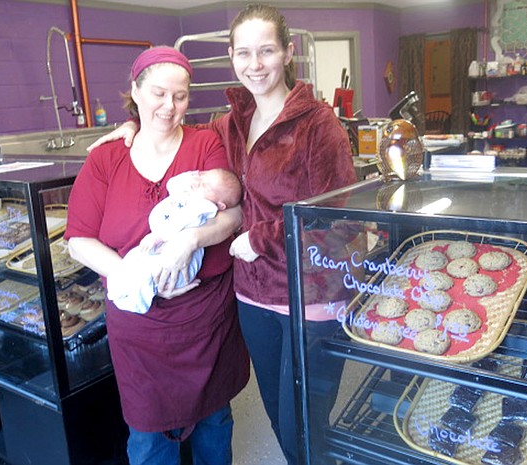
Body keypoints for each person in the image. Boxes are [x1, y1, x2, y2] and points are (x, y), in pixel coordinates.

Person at [88, 5, 359, 464]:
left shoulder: (318, 124)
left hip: (310, 298)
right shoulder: (229, 124)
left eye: (267, 51)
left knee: (305, 430)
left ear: (288, 52)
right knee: (279, 420)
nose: (256, 64)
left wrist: (259, 239)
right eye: (244, 52)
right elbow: (177, 132)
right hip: (252, 300)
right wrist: (136, 124)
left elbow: (338, 219)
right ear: (232, 56)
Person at [65, 46, 250, 465]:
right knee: (148, 439)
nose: (170, 106)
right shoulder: (106, 159)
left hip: (205, 321)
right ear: (135, 91)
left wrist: (189, 242)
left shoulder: (205, 145)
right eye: (158, 93)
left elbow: (234, 211)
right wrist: (137, 276)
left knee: (213, 423)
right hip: (140, 330)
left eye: (181, 96)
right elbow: (78, 239)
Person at [107, 168, 242, 314]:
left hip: (182, 264)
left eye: (205, 185)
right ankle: (117, 289)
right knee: (133, 259)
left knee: (150, 272)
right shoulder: (190, 194)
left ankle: (136, 303)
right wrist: (192, 176)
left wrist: (159, 236)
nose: (197, 183)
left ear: (220, 205)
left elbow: (181, 222)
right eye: (203, 175)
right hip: (164, 248)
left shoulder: (204, 207)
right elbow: (172, 185)